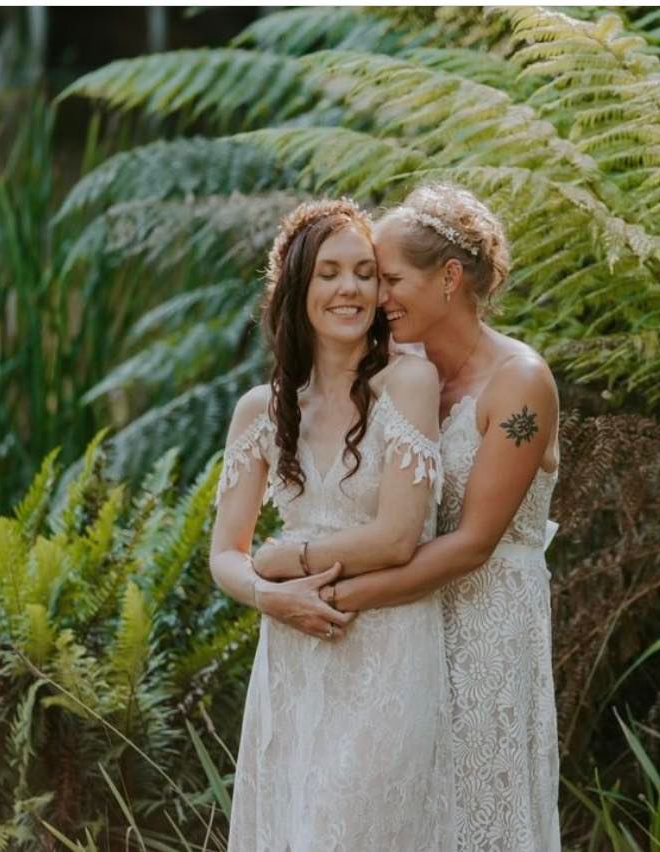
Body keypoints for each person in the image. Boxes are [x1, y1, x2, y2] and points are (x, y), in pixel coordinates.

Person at [254, 184, 562, 850]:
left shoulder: (521, 385)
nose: (376, 297)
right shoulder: (405, 375)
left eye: (388, 278)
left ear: (448, 278)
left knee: (482, 810)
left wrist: (331, 598)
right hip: (409, 631)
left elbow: (474, 544)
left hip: (486, 623)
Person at [209, 198, 454, 851]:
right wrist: (270, 596)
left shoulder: (410, 382)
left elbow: (398, 538)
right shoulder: (260, 410)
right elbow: (226, 555)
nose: (350, 288)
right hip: (291, 655)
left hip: (387, 652)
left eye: (365, 273)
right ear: (298, 288)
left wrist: (291, 557)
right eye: (329, 272)